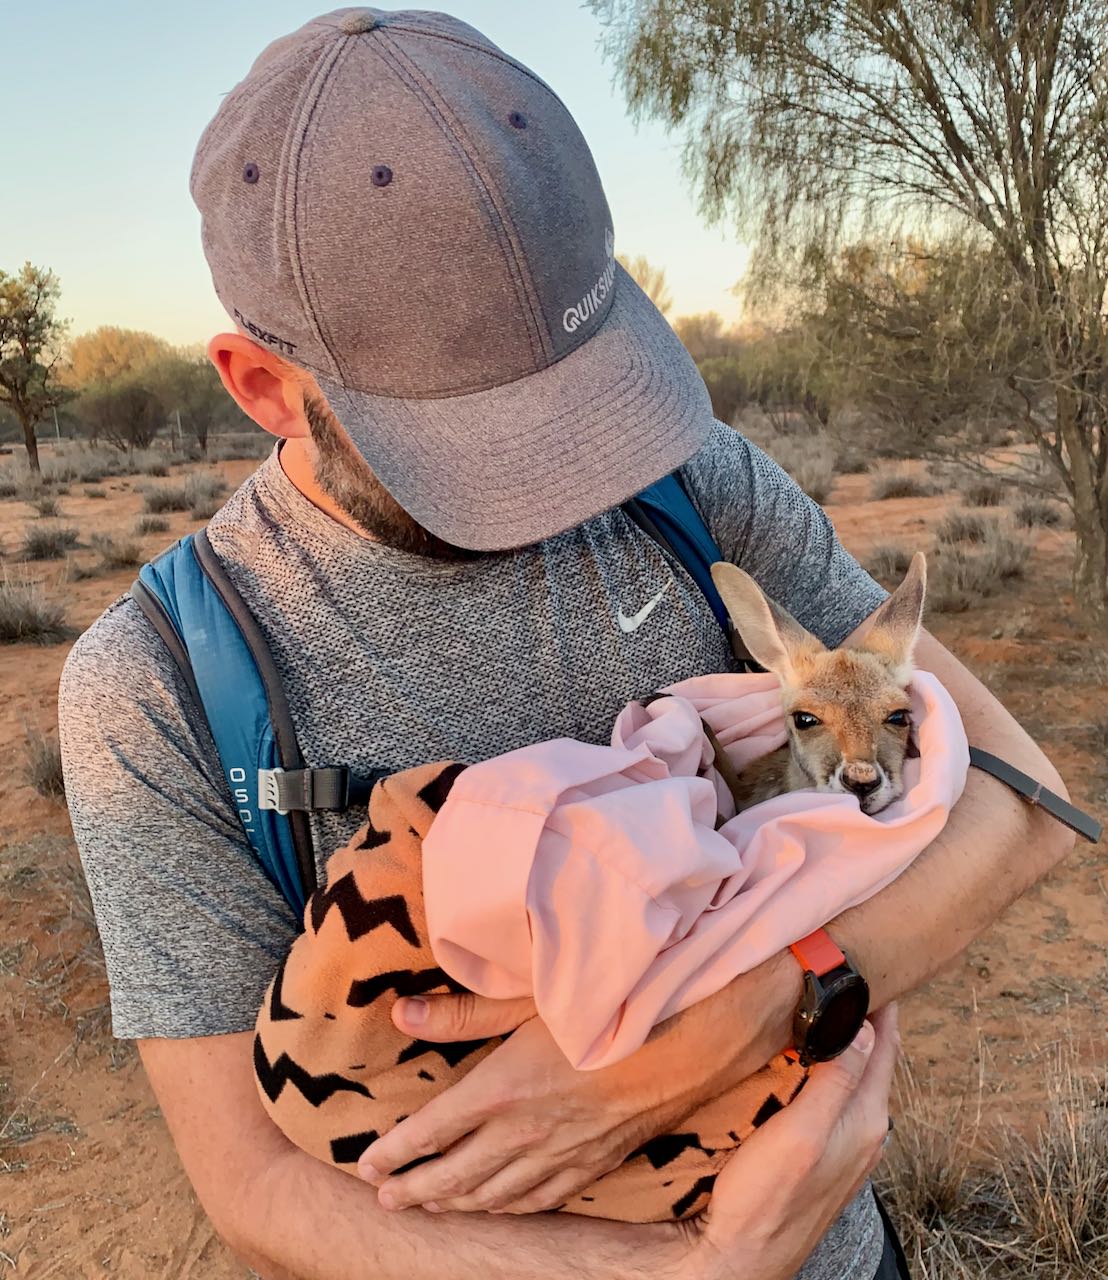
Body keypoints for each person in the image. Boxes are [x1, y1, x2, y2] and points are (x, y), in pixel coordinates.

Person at [58, 9, 1073, 1280]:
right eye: (471, 441)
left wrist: (745, 1009)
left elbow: (1026, 795)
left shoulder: (696, 485)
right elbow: (253, 1183)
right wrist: (696, 1273)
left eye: (571, 397)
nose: (559, 482)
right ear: (263, 386)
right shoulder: (156, 682)